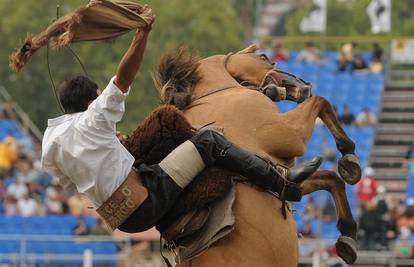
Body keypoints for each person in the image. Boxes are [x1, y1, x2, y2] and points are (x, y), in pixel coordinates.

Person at [41, 6, 322, 234]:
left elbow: (72, 182)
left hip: (121, 221)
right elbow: (122, 78)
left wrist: (109, 153)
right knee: (208, 141)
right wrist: (142, 34)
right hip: (145, 202)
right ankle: (280, 182)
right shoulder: (94, 118)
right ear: (91, 102)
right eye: (98, 95)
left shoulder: (49, 142)